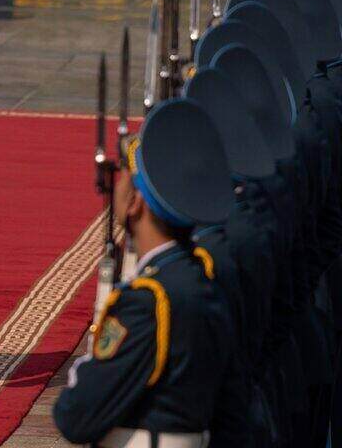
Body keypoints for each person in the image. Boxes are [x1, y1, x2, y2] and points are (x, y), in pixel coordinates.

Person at [53, 99, 246, 446]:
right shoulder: (205, 276)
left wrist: (87, 366)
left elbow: (75, 415)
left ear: (135, 202)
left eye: (125, 175)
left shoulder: (147, 301)